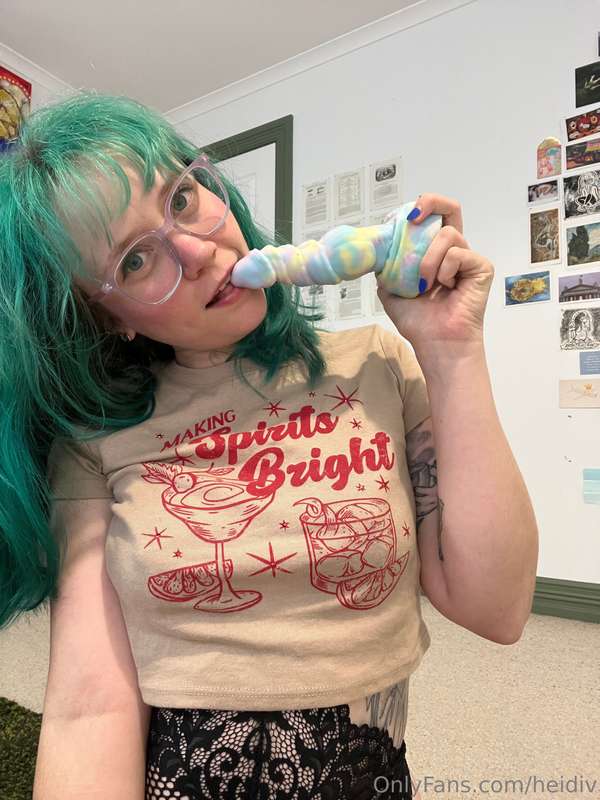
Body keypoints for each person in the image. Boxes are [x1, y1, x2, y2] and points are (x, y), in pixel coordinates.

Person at [0, 92, 538, 800]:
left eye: (182, 198)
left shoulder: (373, 364)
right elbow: (89, 708)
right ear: (107, 318)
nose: (198, 252)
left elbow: (497, 609)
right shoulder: (96, 444)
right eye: (135, 261)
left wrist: (452, 351)